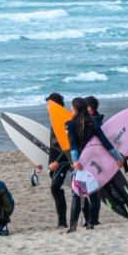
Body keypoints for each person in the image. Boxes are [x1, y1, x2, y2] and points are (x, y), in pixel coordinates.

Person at [66, 97, 123, 233]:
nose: (70, 109)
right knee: (93, 192)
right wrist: (118, 157)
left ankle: (73, 226)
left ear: (75, 108)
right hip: (94, 161)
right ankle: (91, 223)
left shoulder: (70, 124)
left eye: (71, 107)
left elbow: (72, 144)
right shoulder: (93, 123)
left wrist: (75, 161)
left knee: (76, 194)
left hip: (80, 161)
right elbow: (105, 142)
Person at [45, 92, 71, 228]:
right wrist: (47, 163)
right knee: (58, 189)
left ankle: (62, 222)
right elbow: (53, 146)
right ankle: (62, 221)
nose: (47, 111)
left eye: (48, 107)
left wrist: (57, 162)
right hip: (54, 163)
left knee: (56, 188)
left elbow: (67, 146)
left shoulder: (63, 122)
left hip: (64, 160)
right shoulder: (54, 121)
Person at [82, 95, 105, 226]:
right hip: (88, 158)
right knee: (86, 191)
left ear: (90, 108)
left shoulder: (95, 122)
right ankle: (89, 219)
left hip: (94, 159)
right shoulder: (93, 120)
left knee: (93, 192)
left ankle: (93, 220)